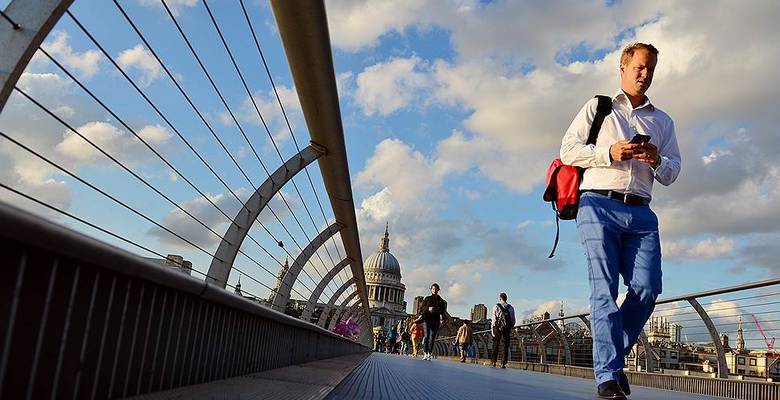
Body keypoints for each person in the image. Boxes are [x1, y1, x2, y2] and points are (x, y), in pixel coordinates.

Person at [560, 42, 681, 400]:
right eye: (639, 67)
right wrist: (608, 152)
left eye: (651, 70)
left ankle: (612, 359)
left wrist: (657, 160)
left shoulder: (662, 121)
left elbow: (673, 173)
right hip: (597, 205)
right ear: (623, 68)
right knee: (605, 291)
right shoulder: (599, 108)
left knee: (647, 288)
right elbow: (567, 150)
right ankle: (608, 375)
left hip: (642, 211)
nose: (645, 75)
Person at [419, 283, 447, 361]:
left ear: (438, 290)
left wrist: (443, 319)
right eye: (433, 289)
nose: (434, 290)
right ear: (431, 289)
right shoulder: (427, 299)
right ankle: (425, 352)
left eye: (436, 289)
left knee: (432, 337)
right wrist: (428, 308)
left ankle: (429, 353)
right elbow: (421, 309)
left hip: (435, 320)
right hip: (427, 319)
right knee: (427, 336)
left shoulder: (441, 300)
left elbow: (443, 311)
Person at [490, 293, 515, 368]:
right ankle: (503, 363)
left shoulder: (496, 306)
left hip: (497, 327)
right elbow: (513, 320)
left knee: (496, 344)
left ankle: (493, 362)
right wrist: (510, 326)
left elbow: (494, 319)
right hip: (506, 328)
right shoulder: (511, 308)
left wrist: (492, 329)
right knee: (505, 345)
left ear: (500, 298)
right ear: (506, 298)